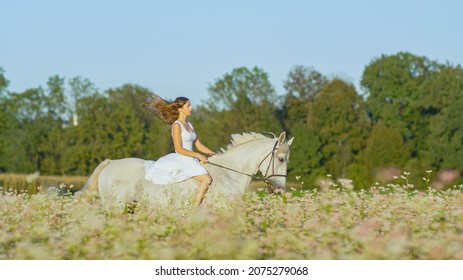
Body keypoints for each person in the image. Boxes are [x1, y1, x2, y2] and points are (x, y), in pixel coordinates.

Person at [143, 94, 215, 206]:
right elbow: (179, 149)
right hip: (182, 158)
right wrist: (198, 155)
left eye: (190, 105)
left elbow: (199, 145)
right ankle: (194, 209)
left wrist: (213, 154)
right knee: (206, 179)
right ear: (180, 109)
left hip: (192, 159)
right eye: (188, 106)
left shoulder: (190, 125)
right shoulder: (176, 125)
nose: (191, 108)